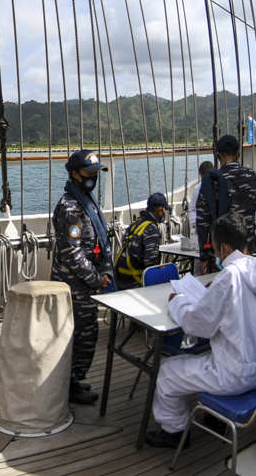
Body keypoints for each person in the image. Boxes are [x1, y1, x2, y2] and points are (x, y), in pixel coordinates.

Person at [145, 211, 256, 448]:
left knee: (167, 372)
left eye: (216, 248)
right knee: (208, 355)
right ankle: (215, 418)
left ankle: (175, 432)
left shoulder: (229, 278)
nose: (216, 254)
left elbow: (197, 325)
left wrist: (176, 301)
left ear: (226, 249)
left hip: (235, 375)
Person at [51, 150, 113, 404]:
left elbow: (100, 242)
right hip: (73, 286)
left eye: (96, 174)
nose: (93, 178)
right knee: (78, 336)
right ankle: (68, 385)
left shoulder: (87, 202)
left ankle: (74, 381)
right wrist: (96, 278)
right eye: (88, 174)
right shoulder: (69, 208)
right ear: (74, 174)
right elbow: (72, 254)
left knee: (85, 334)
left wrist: (106, 270)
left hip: (87, 283)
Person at [195, 135, 256, 272]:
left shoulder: (211, 181)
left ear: (218, 156)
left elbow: (202, 223)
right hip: (248, 250)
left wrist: (204, 256)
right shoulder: (253, 177)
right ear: (238, 154)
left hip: (221, 254)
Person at [114, 192, 168, 290]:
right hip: (134, 281)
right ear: (159, 210)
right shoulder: (151, 229)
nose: (164, 213)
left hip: (120, 277)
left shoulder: (136, 223)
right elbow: (150, 264)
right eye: (164, 210)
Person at [188, 161, 213, 247]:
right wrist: (195, 223)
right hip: (201, 229)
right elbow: (192, 209)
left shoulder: (219, 187)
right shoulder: (197, 189)